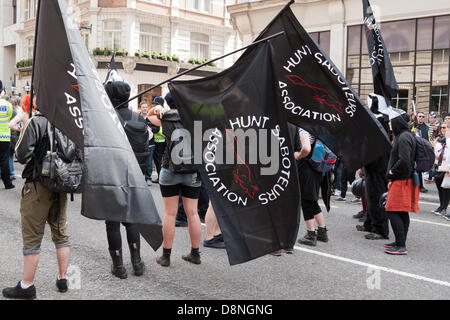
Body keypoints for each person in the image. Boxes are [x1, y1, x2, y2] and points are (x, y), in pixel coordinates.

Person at [2, 96, 71, 299]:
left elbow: (22, 155)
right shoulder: (67, 123)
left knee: (32, 234)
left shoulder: (36, 122)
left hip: (38, 184)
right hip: (61, 184)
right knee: (61, 232)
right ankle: (63, 278)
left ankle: (27, 285)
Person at [148, 93, 203, 267]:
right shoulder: (196, 118)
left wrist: (158, 108)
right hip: (193, 169)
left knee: (170, 214)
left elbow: (149, 117)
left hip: (170, 168)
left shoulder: (167, 119)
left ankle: (166, 256)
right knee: (192, 213)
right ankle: (195, 254)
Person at [103, 80, 147, 278]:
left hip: (112, 175)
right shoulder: (139, 118)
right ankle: (137, 263)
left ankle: (118, 266)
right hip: (134, 175)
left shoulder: (106, 119)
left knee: (112, 222)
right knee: (131, 220)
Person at [384, 113, 419, 255]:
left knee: (392, 210)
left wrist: (392, 172)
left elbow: (404, 160)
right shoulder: (405, 135)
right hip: (404, 179)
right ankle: (400, 241)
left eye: (391, 121)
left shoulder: (404, 137)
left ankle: (400, 245)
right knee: (402, 211)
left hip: (401, 180)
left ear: (397, 122)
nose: (389, 124)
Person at [295, 128, 330, 246]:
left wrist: (298, 155)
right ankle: (322, 231)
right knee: (312, 199)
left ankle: (310, 235)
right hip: (319, 167)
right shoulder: (318, 125)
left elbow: (306, 148)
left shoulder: (304, 128)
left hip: (307, 167)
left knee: (306, 201)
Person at [432, 123, 450, 217]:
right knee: (439, 188)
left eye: (445, 127)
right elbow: (433, 150)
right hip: (437, 165)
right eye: (441, 127)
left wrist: (441, 156)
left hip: (446, 167)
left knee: (445, 188)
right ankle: (440, 206)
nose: (442, 129)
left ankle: (444, 207)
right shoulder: (438, 139)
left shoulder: (448, 140)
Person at [140, 101, 159, 186]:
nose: (145, 108)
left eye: (146, 107)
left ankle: (148, 178)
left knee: (149, 161)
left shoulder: (151, 117)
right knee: (140, 160)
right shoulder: (137, 117)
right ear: (140, 108)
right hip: (140, 143)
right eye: (143, 107)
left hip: (150, 143)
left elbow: (157, 129)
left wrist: (150, 128)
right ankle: (140, 178)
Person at [411, 111, 429, 193]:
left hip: (422, 150)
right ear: (416, 117)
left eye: (423, 116)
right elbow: (407, 135)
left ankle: (421, 186)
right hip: (413, 150)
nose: (421, 118)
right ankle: (414, 185)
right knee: (413, 168)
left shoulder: (426, 127)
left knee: (420, 168)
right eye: (419, 116)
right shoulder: (412, 125)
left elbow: (427, 138)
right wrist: (413, 132)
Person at [0, 95, 14, 190]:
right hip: (4, 136)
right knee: (4, 160)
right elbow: (10, 117)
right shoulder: (8, 104)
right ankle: (7, 183)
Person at [152, 96, 166, 184]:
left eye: (155, 104)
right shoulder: (162, 112)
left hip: (159, 141)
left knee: (158, 160)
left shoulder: (160, 113)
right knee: (161, 160)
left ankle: (160, 177)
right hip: (161, 141)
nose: (154, 105)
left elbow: (160, 128)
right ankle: (161, 176)